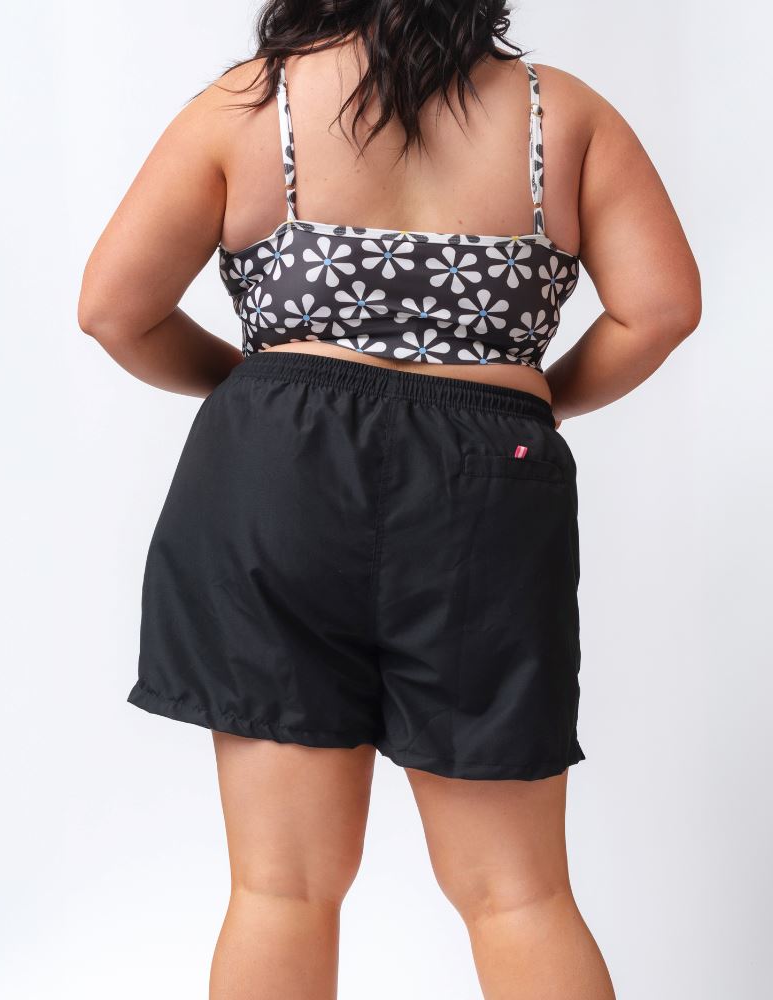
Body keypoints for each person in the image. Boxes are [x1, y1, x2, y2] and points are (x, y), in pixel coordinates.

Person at [78, 2, 701, 998]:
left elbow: (112, 308)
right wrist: (528, 404)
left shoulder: (249, 108)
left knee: (280, 888)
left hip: (273, 476)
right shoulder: (563, 116)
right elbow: (662, 306)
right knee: (517, 892)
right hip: (486, 481)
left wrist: (260, 387)